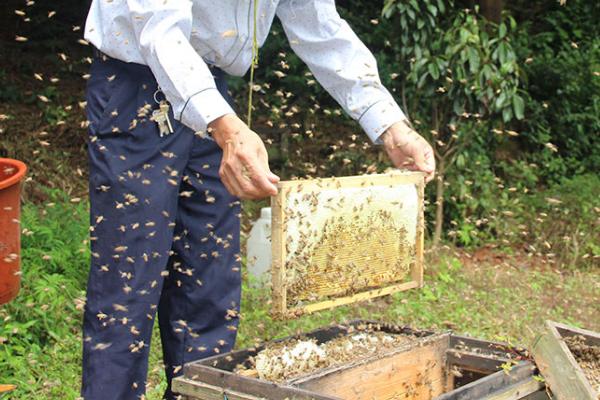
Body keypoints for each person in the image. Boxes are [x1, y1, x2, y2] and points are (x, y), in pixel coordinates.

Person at [81, 1, 436, 399]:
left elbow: (320, 27)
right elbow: (158, 29)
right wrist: (225, 127)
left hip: (213, 93)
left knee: (208, 289)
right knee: (128, 289)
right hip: (137, 83)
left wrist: (390, 126)